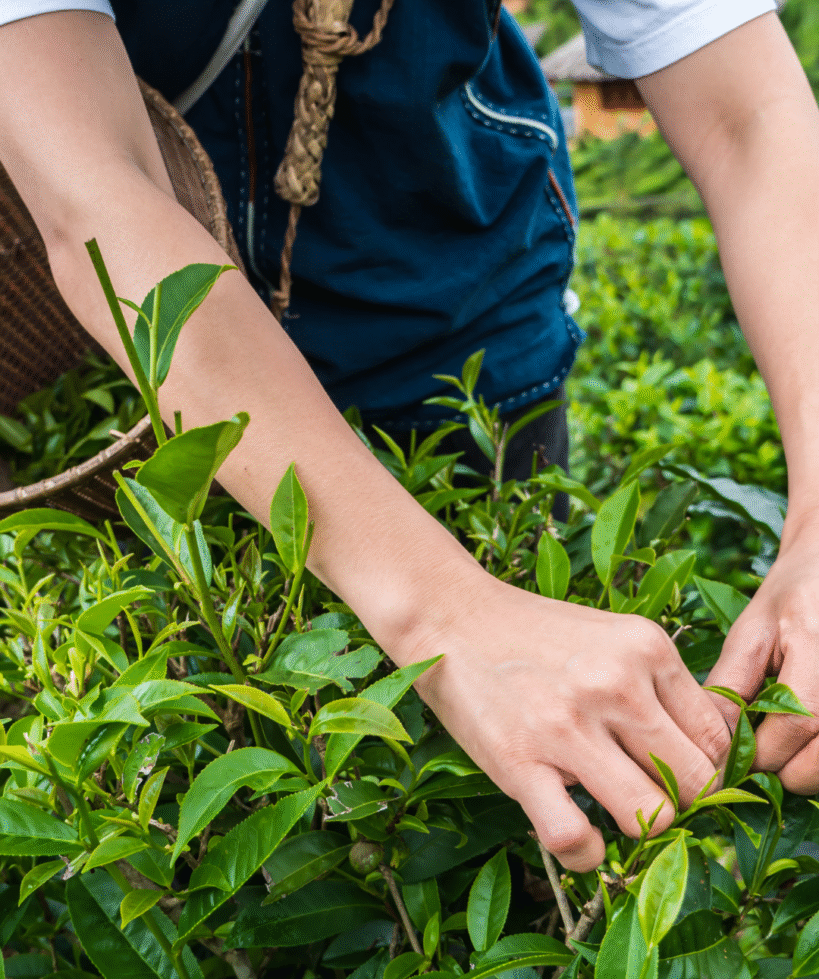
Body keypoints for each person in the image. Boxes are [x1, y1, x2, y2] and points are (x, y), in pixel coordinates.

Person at [1, 0, 818, 876]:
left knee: (501, 818)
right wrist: (448, 614)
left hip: (454, 327)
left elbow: (748, 115)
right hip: (109, 374)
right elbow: (95, 190)